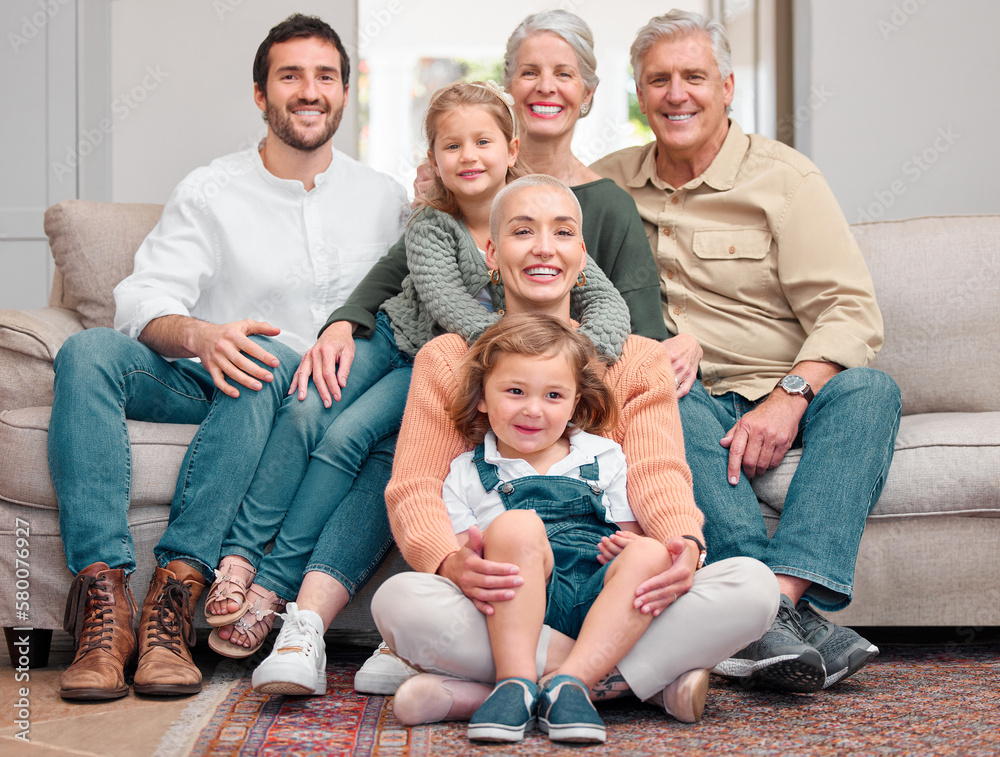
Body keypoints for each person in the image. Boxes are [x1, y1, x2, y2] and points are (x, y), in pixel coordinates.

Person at [204, 80, 631, 660]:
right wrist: (525, 350)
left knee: (359, 440)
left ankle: (280, 590)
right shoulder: (435, 223)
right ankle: (241, 558)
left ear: (512, 148)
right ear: (433, 160)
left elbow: (606, 300)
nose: (469, 157)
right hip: (404, 340)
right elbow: (447, 306)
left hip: (439, 363)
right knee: (310, 409)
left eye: (483, 142)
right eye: (451, 147)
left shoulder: (539, 220)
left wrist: (578, 355)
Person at [51, 13, 408, 700]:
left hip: (296, 398)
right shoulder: (210, 190)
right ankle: (102, 604)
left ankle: (175, 593)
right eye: (291, 75)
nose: (310, 90)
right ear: (259, 94)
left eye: (325, 76)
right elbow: (142, 298)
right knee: (87, 350)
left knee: (261, 367)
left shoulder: (384, 199)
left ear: (344, 91)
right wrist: (201, 337)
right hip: (202, 378)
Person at [369, 174, 779, 728]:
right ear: (492, 253)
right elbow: (415, 485)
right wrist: (448, 560)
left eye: (562, 232)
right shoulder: (449, 358)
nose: (544, 247)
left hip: (603, 583)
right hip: (507, 590)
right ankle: (629, 684)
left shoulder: (637, 358)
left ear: (581, 255)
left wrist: (682, 543)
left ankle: (511, 686)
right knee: (400, 603)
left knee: (753, 587)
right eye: (522, 231)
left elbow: (658, 474)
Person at [590, 10, 901, 693]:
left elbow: (848, 310)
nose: (677, 94)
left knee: (874, 391)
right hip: (685, 390)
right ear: (639, 94)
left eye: (694, 77)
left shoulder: (785, 180)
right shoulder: (605, 186)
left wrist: (789, 396)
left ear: (727, 86)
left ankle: (765, 609)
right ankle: (776, 619)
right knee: (662, 396)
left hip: (780, 383)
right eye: (659, 80)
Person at [446, 313, 674, 744]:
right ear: (481, 397)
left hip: (597, 602)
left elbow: (631, 533)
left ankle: (569, 682)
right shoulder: (467, 472)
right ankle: (515, 683)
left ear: (575, 403)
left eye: (554, 395)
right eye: (515, 392)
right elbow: (466, 563)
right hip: (517, 610)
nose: (533, 409)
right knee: (512, 528)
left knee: (653, 555)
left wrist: (629, 548)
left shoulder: (603, 455)